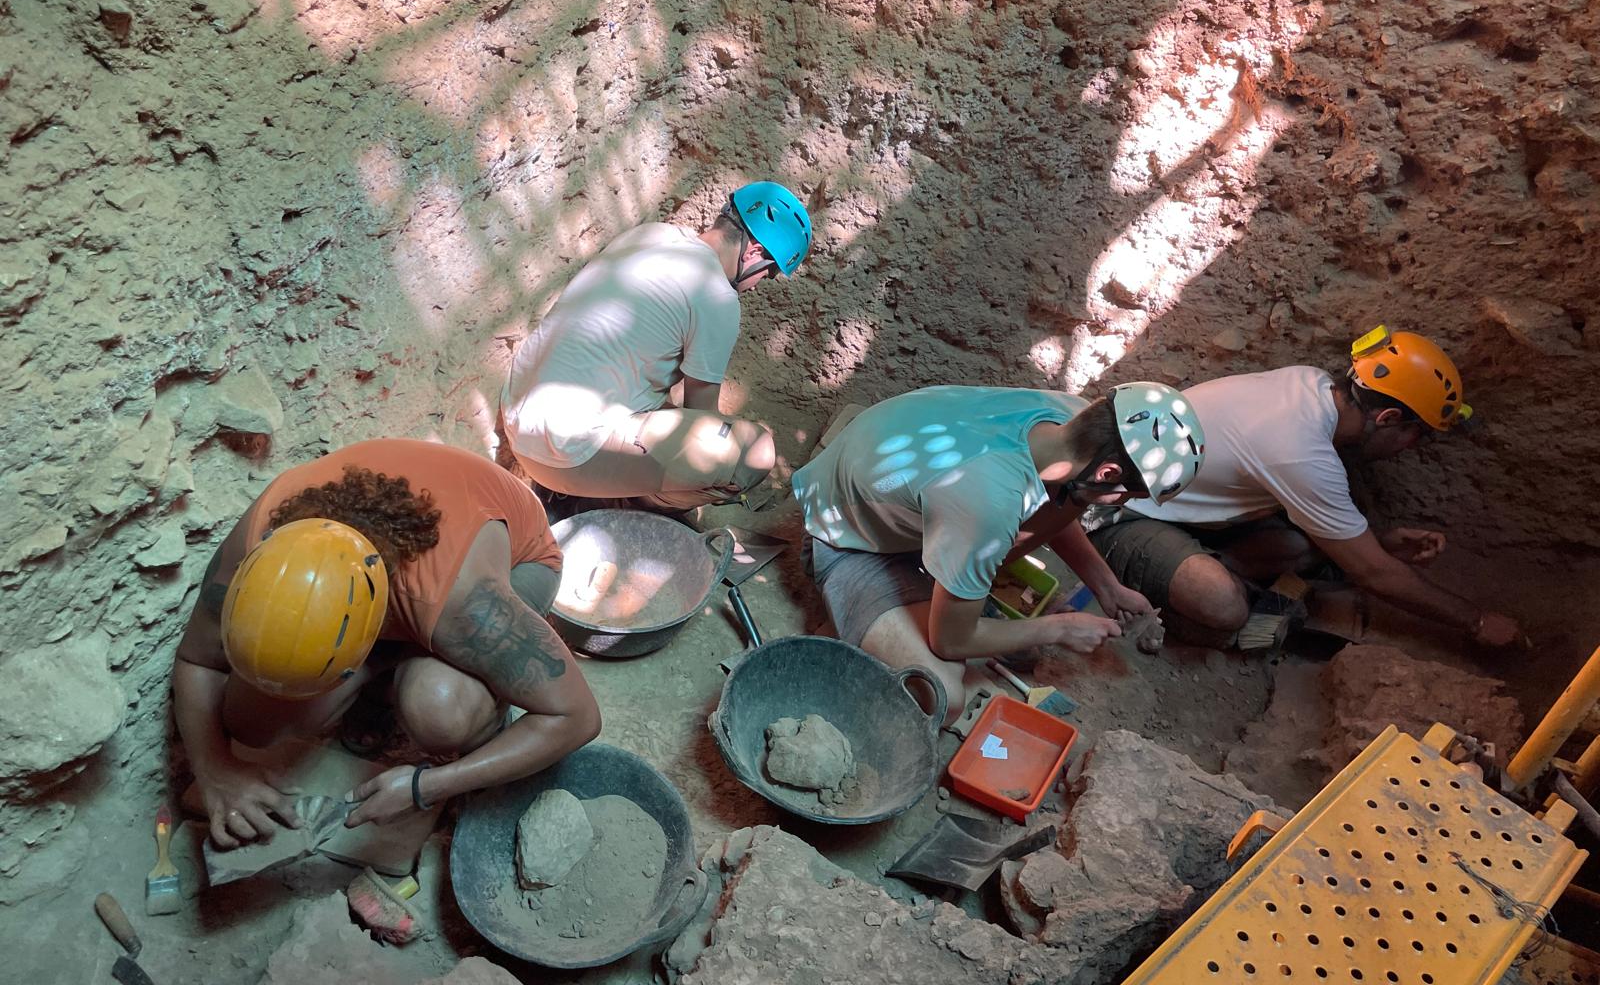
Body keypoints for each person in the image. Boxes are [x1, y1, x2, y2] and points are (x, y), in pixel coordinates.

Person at [173, 439, 599, 849]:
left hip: (518, 557)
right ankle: (385, 671)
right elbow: (197, 661)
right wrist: (216, 771)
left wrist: (424, 786)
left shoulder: (461, 603)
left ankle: (450, 693)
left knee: (440, 708)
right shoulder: (259, 552)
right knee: (251, 719)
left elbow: (576, 716)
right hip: (401, 577)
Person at [1084, 326, 1522, 650]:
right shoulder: (1301, 450)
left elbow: (1344, 537)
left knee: (1297, 547)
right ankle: (1176, 606)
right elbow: (1375, 574)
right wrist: (1476, 620)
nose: (1411, 449)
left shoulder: (1310, 384)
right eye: (1417, 435)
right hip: (1119, 510)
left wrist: (1380, 541)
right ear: (1387, 418)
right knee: (1223, 606)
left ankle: (1208, 565)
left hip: (1179, 502)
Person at [792, 382, 1205, 723]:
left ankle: (940, 587)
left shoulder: (1077, 423)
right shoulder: (987, 501)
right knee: (944, 693)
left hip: (901, 493)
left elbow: (1067, 500)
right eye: (1122, 495)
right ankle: (849, 616)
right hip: (842, 537)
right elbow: (951, 641)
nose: (1116, 503)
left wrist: (1107, 585)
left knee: (1066, 501)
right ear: (1109, 473)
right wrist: (1059, 629)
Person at [501, 182, 812, 512]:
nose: (759, 283)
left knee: (661, 410)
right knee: (754, 452)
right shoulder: (717, 296)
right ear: (755, 253)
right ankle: (615, 506)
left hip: (518, 421)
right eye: (769, 273)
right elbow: (701, 416)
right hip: (565, 455)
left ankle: (595, 488)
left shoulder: (653, 234)